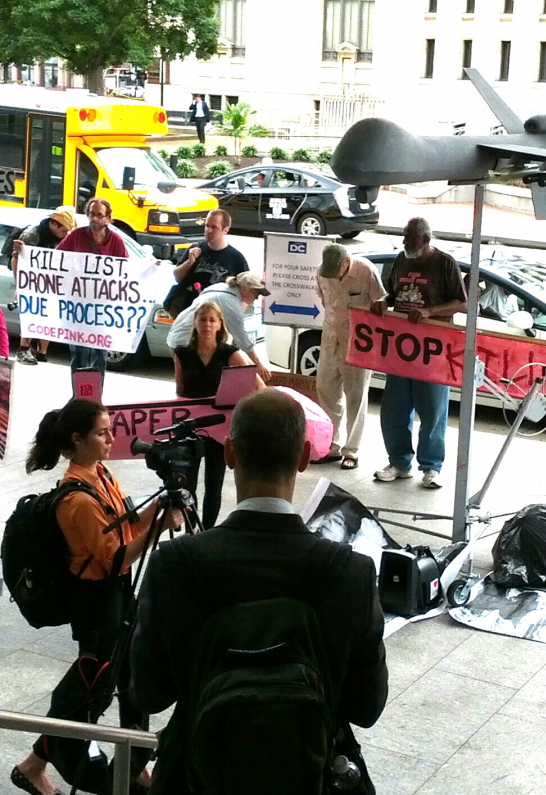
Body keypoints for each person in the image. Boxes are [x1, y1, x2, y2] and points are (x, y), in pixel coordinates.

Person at [131, 388, 388, 795]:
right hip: (311, 778)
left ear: (230, 453)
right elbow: (367, 707)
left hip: (196, 779)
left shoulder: (174, 564)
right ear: (304, 457)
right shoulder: (350, 572)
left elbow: (148, 694)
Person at [12, 399, 181, 795]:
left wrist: (157, 508)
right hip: (97, 602)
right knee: (92, 687)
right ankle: (37, 765)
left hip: (116, 594)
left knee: (123, 676)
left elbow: (125, 525)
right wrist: (158, 528)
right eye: (102, 433)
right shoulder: (77, 499)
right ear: (78, 439)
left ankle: (131, 764)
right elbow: (113, 559)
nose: (111, 439)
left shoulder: (101, 475)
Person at [371, 217, 467, 489]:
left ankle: (431, 467)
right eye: (404, 236)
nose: (404, 242)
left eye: (410, 237)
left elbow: (462, 303)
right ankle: (399, 463)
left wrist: (429, 312)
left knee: (433, 411)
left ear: (425, 239)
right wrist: (382, 302)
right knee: (394, 410)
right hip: (401, 348)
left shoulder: (445, 263)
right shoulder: (401, 260)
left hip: (432, 351)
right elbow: (392, 295)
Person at [174, 302, 260, 528]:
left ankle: (208, 530)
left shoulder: (229, 354)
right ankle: (192, 531)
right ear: (195, 323)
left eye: (212, 320)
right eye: (203, 319)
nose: (207, 325)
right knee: (188, 484)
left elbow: (256, 384)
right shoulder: (182, 354)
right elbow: (179, 392)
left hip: (219, 427)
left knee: (214, 484)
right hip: (191, 426)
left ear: (220, 324)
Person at [313, 244, 386, 469]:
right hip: (330, 339)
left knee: (356, 396)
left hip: (357, 343)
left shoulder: (365, 271)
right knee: (325, 389)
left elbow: (381, 301)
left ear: (346, 262)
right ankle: (331, 446)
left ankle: (351, 450)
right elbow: (324, 300)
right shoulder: (322, 272)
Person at [56, 198, 129, 387]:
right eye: (91, 214)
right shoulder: (76, 236)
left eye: (99, 215)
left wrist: (151, 268)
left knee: (99, 355)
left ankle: (95, 398)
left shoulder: (116, 241)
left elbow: (128, 270)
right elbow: (55, 259)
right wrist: (23, 252)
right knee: (79, 354)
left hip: (102, 310)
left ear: (108, 218)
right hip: (78, 307)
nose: (94, 218)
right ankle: (78, 396)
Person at [166, 272, 273, 383]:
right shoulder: (231, 303)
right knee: (198, 384)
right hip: (188, 341)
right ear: (245, 289)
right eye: (256, 293)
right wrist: (258, 364)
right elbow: (242, 340)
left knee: (194, 383)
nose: (257, 298)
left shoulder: (220, 288)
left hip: (178, 335)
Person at [10, 207, 76, 364]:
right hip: (32, 282)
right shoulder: (33, 235)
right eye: (63, 230)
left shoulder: (62, 238)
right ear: (54, 224)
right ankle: (23, 349)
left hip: (50, 284)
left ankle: (42, 352)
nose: (65, 234)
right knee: (32, 313)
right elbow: (16, 259)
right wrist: (20, 285)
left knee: (49, 316)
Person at [172, 209, 249, 295]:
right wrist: (189, 262)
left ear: (225, 230)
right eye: (207, 226)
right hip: (191, 302)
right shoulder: (195, 249)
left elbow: (246, 292)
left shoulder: (237, 259)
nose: (208, 231)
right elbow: (177, 277)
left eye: (214, 227)